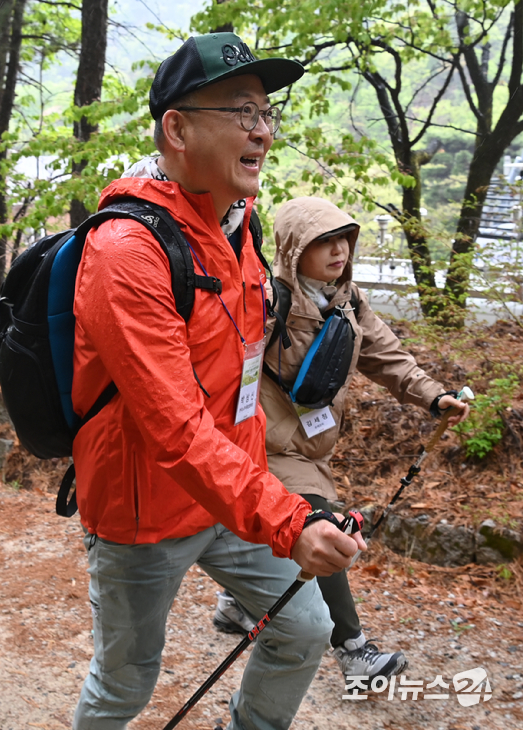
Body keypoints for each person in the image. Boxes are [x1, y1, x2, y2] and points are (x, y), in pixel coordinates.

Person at [70, 35, 367, 730]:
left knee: (302, 630)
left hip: (228, 499)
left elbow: (242, 376)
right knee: (124, 685)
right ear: (177, 128)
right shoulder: (126, 252)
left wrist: (284, 499)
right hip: (141, 517)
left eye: (268, 112)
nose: (263, 130)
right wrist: (291, 519)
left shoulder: (239, 226)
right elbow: (174, 427)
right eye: (241, 110)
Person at [213, 196, 470, 686]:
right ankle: (353, 653)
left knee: (292, 532)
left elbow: (390, 359)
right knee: (327, 526)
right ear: (292, 248)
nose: (338, 252)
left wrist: (435, 398)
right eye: (323, 241)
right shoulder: (266, 303)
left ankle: (234, 603)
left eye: (343, 241)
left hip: (313, 447)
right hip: (267, 445)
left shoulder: (347, 301)